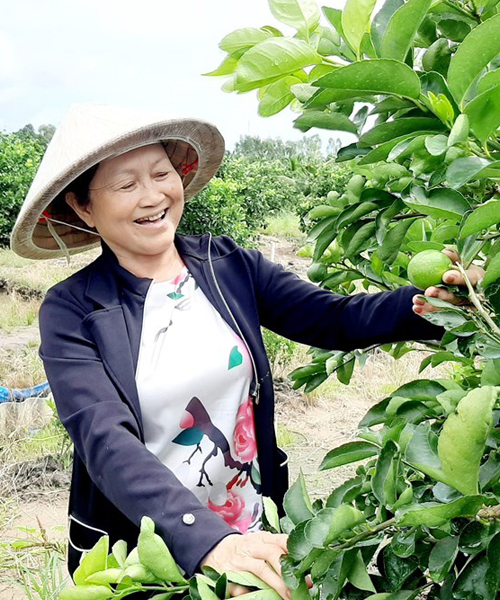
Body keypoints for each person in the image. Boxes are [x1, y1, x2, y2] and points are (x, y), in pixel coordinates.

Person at [11, 104, 482, 599]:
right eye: (126, 185)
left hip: (248, 519)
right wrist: (207, 540)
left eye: (160, 173)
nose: (153, 196)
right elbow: (104, 438)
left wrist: (428, 306)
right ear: (82, 208)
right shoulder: (72, 310)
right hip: (144, 547)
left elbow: (334, 318)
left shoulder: (226, 264)